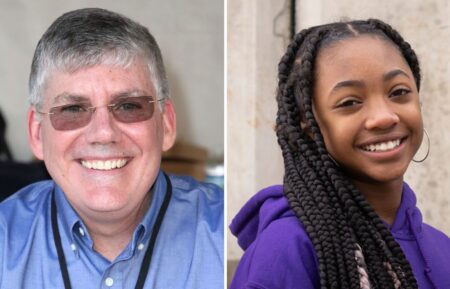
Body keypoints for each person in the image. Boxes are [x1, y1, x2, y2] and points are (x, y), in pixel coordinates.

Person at [0, 8, 223, 289]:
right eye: (72, 109)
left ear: (166, 124)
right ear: (36, 133)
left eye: (129, 106)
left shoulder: (229, 234)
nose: (104, 133)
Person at [230, 19, 450, 289]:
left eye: (399, 92)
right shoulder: (286, 248)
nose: (383, 117)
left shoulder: (441, 248)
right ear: (308, 124)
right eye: (350, 102)